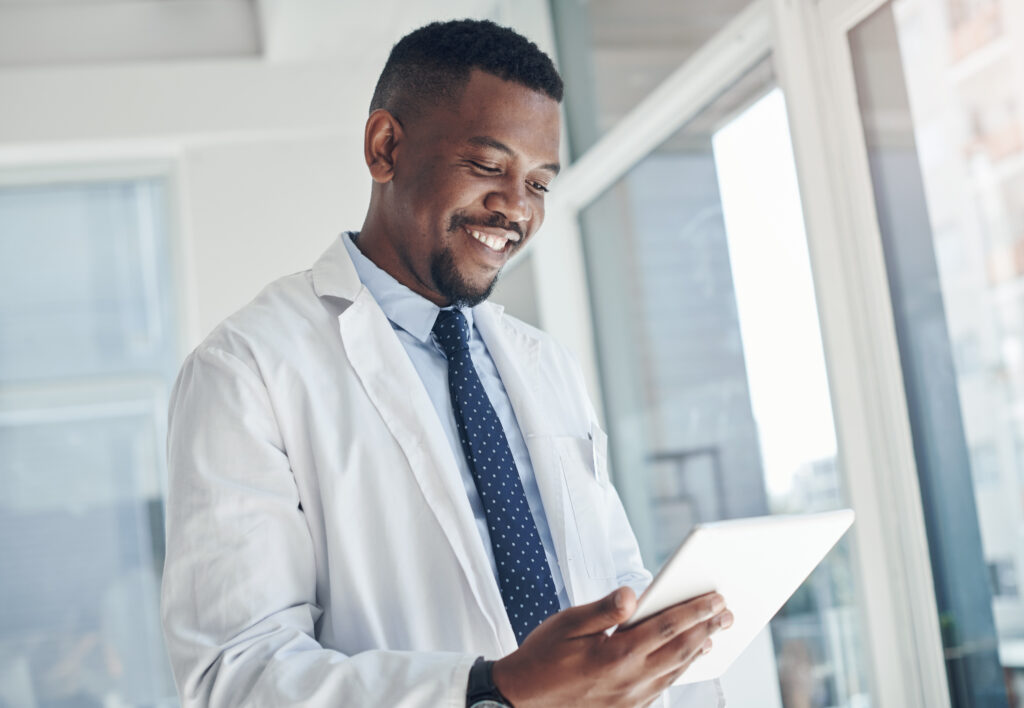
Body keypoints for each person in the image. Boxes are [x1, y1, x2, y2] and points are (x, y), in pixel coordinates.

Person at [161, 18, 733, 707]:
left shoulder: (544, 362)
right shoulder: (246, 371)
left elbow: (610, 574)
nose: (516, 208)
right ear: (385, 147)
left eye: (541, 184)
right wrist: (492, 689)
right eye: (489, 166)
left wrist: (657, 641)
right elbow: (237, 674)